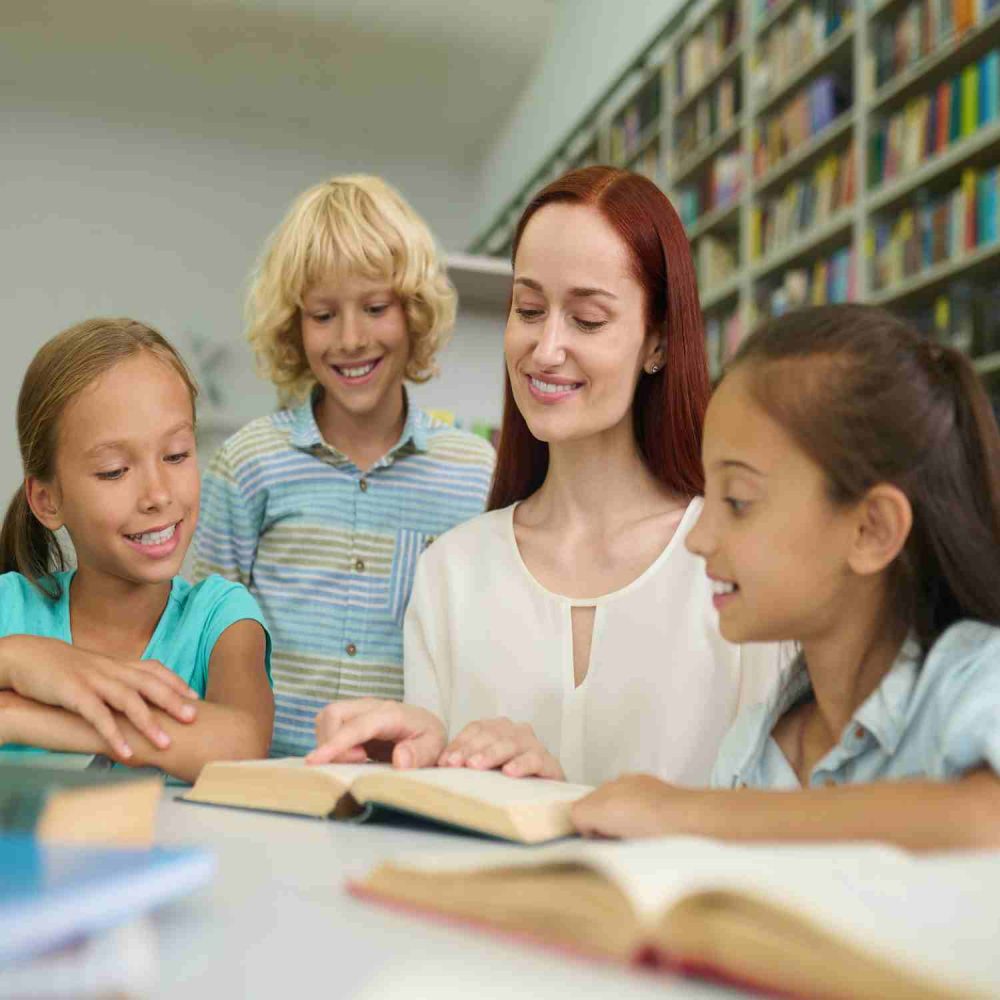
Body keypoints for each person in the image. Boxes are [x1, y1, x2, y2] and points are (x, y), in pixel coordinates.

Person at [308, 166, 785, 786]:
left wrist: (558, 806)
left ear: (659, 342)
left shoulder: (732, 568)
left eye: (587, 319)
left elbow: (776, 828)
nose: (546, 348)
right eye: (528, 309)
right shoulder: (450, 575)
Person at [572, 304, 1000, 850]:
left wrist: (688, 811)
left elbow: (986, 821)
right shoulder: (752, 750)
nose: (698, 538)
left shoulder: (976, 677)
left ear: (871, 530)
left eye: (739, 500)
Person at [193, 175, 495, 757]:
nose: (351, 339)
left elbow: (482, 655)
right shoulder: (249, 464)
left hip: (409, 786)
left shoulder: (475, 474)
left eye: (375, 307)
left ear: (413, 314)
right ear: (294, 326)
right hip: (267, 779)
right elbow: (200, 635)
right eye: (323, 315)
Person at [0, 318, 274, 783]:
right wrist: (16, 657)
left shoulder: (221, 617)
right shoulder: (10, 607)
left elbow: (241, 744)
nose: (157, 494)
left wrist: (26, 718)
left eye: (176, 455)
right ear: (47, 499)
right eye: (113, 471)